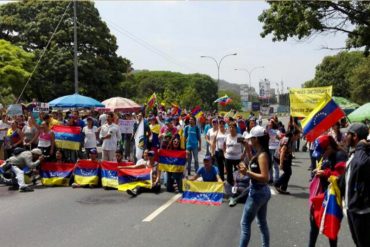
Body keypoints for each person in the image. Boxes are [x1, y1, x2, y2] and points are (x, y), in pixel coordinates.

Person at [308, 135, 347, 247]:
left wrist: (325, 173)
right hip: (321, 193)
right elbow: (325, 167)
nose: (321, 154)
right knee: (313, 224)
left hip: (333, 197)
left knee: (331, 227)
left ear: (329, 147)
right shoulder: (325, 155)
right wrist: (318, 170)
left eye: (323, 151)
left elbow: (341, 176)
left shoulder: (340, 155)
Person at [338, 123, 370, 247]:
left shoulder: (364, 154)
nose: (345, 136)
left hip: (362, 211)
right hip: (352, 207)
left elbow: (361, 165)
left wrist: (361, 147)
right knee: (358, 242)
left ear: (355, 136)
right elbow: (349, 174)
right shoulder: (354, 153)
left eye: (348, 134)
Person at [240, 126, 271, 247]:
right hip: (261, 191)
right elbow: (252, 161)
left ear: (256, 139)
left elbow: (265, 177)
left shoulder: (262, 155)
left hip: (258, 191)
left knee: (245, 224)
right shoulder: (259, 152)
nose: (250, 141)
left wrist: (247, 173)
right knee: (262, 222)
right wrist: (247, 148)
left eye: (251, 139)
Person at [273, 129, 300, 194]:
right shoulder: (287, 140)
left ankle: (283, 188)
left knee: (288, 172)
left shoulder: (290, 139)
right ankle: (277, 184)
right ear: (294, 135)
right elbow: (282, 152)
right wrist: (281, 163)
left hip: (285, 158)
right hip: (279, 157)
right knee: (288, 172)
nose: (298, 137)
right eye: (298, 136)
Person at [224, 121, 248, 186]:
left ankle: (237, 185)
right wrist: (224, 152)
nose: (231, 129)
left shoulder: (239, 136)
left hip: (237, 158)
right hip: (228, 158)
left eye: (233, 127)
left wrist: (244, 154)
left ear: (236, 128)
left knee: (238, 172)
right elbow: (224, 145)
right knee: (229, 173)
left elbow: (246, 145)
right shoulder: (227, 136)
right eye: (230, 127)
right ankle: (230, 185)